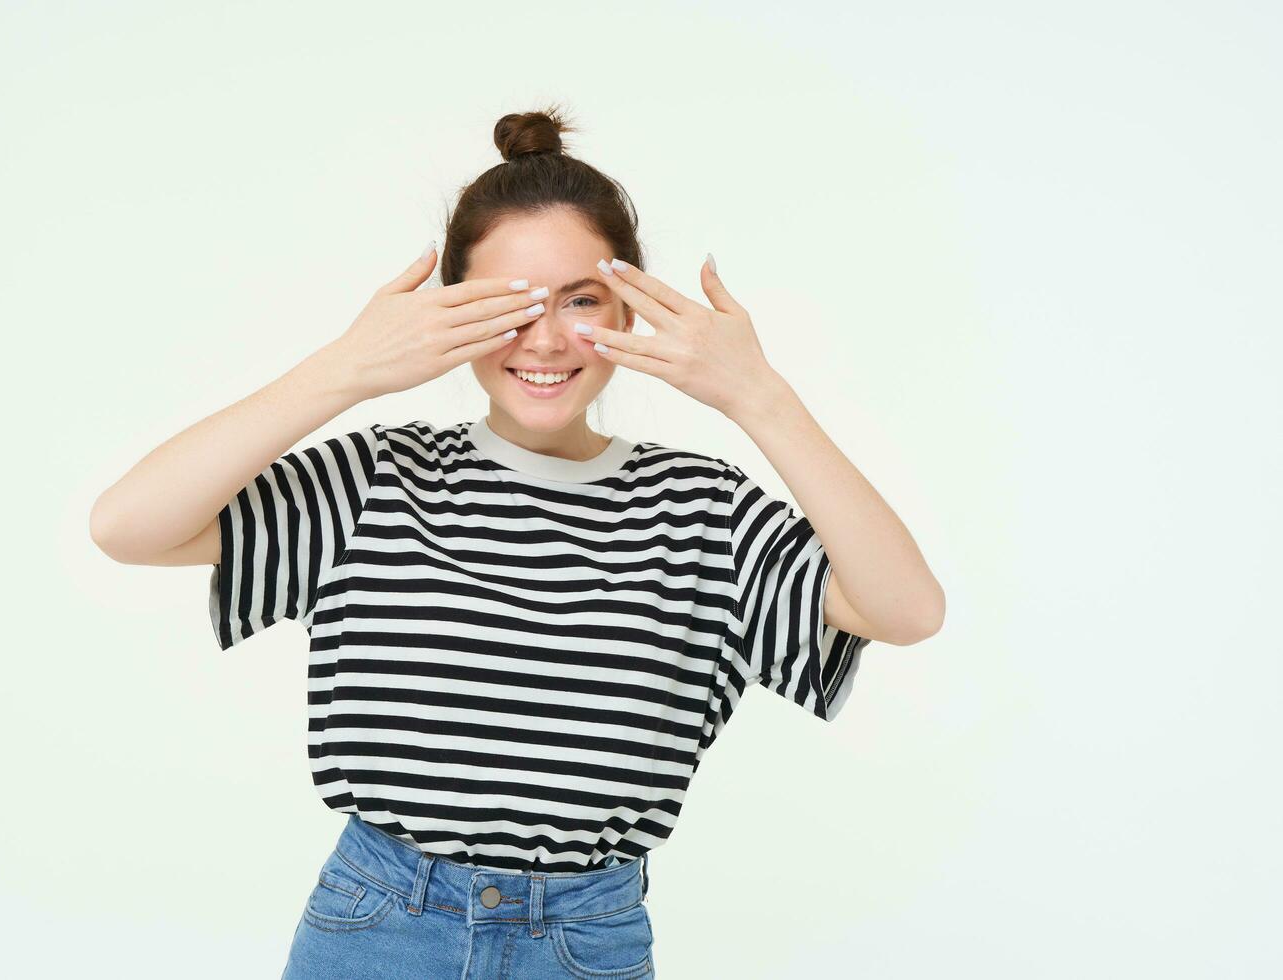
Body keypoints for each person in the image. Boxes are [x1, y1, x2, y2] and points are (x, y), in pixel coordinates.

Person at [90, 105, 944, 979]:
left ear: (632, 308)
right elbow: (128, 526)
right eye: (507, 304)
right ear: (447, 311)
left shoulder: (704, 509)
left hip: (584, 940)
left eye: (580, 301)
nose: (543, 338)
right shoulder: (377, 480)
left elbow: (907, 610)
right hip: (380, 926)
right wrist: (344, 370)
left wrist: (759, 397)